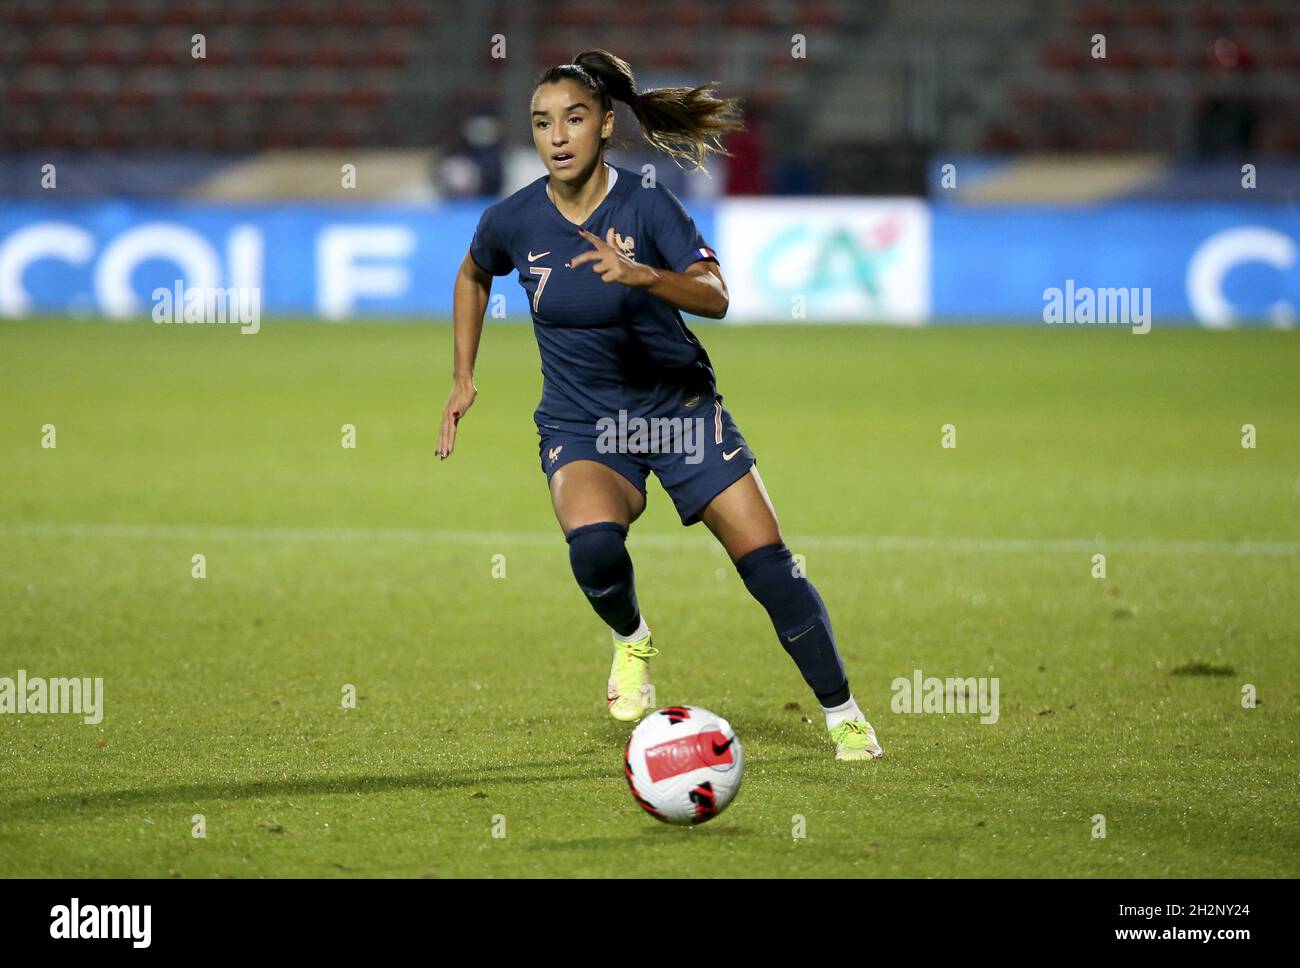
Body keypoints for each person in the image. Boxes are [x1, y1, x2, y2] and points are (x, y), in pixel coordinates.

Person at [437, 49, 882, 761]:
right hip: (584, 423)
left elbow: (716, 295)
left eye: (574, 119)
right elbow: (472, 272)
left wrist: (645, 275)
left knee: (770, 567)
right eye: (542, 122)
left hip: (681, 412)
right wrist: (464, 375)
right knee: (594, 545)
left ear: (606, 124)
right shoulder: (512, 219)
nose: (556, 136)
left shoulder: (647, 204)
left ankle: (844, 714)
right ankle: (632, 639)